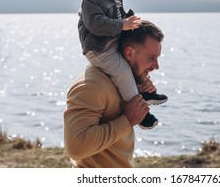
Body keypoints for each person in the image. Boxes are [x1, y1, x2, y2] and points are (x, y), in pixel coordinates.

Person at [77, 0, 167, 129]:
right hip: (98, 49)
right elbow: (97, 24)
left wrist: (130, 20)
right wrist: (123, 24)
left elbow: (118, 17)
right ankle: (141, 114)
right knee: (122, 72)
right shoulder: (90, 1)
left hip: (109, 44)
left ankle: (142, 94)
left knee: (126, 70)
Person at [64, 20, 165, 168]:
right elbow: (76, 148)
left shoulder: (123, 83)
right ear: (129, 52)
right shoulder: (92, 85)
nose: (156, 66)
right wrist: (127, 120)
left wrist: (139, 90)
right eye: (151, 58)